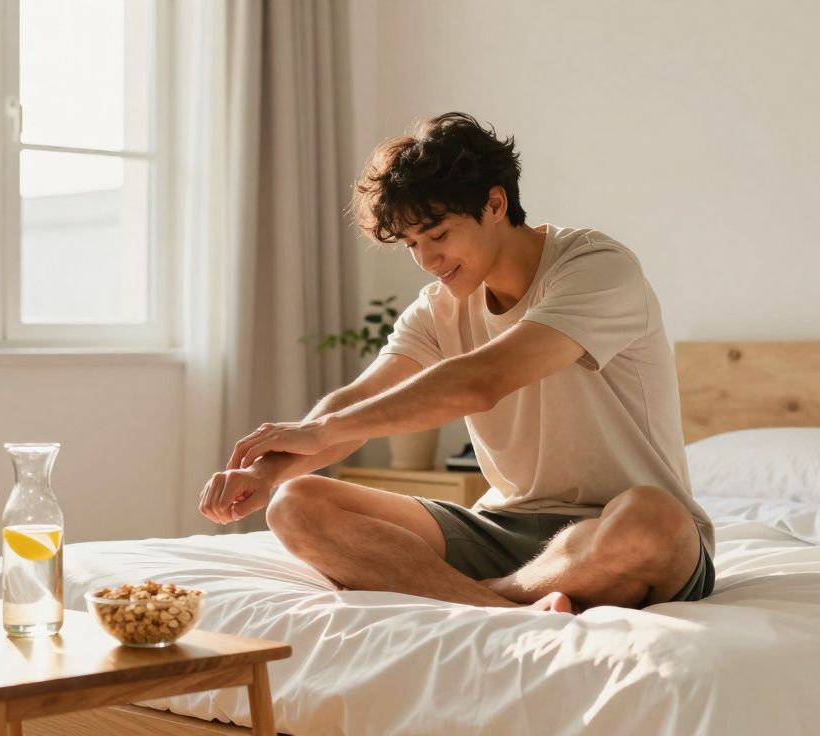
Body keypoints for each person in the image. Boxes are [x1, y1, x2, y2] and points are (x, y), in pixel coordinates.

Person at [198, 112, 715, 614]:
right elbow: (360, 399)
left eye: (438, 235)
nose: (427, 260)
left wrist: (325, 429)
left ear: (494, 203)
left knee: (654, 521)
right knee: (296, 503)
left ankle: (493, 596)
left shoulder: (596, 268)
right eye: (411, 245)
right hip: (500, 526)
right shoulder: (439, 306)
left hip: (611, 527)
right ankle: (507, 605)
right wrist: (267, 474)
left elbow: (481, 381)